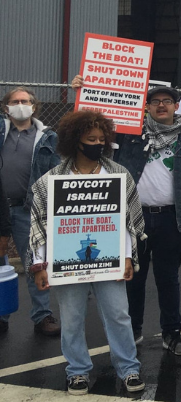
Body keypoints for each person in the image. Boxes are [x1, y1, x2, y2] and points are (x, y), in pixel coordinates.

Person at [27, 111, 145, 395]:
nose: (97, 143)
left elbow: (128, 222)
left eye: (101, 139)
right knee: (71, 317)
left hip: (111, 260)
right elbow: (40, 223)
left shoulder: (118, 175)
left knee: (119, 314)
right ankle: (77, 371)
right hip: (66, 263)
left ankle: (129, 368)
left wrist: (128, 256)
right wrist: (40, 265)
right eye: (90, 139)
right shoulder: (52, 180)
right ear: (73, 140)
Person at [106, 84, 181, 356]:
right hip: (133, 218)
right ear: (147, 107)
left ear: (176, 106)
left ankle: (172, 334)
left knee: (168, 279)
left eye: (167, 101)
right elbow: (95, 126)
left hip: (169, 220)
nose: (161, 105)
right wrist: (86, 90)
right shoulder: (129, 136)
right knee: (133, 279)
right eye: (155, 102)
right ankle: (132, 331)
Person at [0, 87, 62, 336]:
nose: (20, 104)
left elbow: (58, 170)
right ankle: (1, 315)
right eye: (14, 101)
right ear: (6, 108)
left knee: (36, 263)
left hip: (30, 209)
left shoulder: (49, 137)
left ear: (34, 106)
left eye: (25, 101)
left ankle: (42, 316)